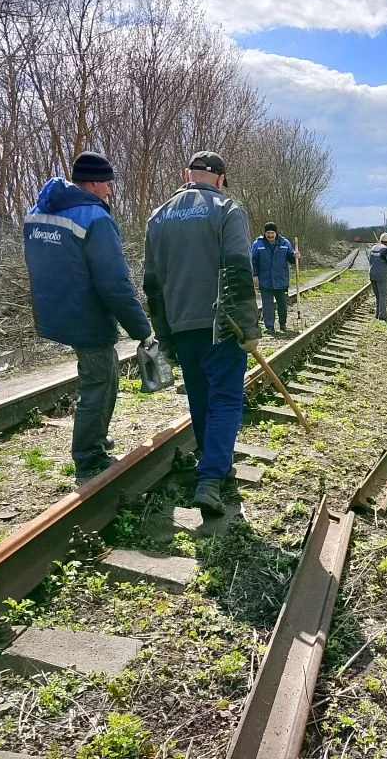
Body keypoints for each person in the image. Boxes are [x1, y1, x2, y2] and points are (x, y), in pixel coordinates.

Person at [23, 151, 153, 484]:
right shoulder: (94, 218)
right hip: (86, 313)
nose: (110, 190)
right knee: (99, 381)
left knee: (105, 374)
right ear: (94, 183)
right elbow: (114, 282)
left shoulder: (38, 212)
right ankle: (88, 457)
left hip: (54, 309)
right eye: (107, 183)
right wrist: (141, 329)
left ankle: (97, 437)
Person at [143, 151, 261, 516]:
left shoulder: (157, 217)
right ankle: (210, 478)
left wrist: (164, 336)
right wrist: (249, 327)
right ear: (221, 179)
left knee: (199, 397)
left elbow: (152, 285)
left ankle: (215, 463)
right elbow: (239, 270)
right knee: (225, 399)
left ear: (187, 175)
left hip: (180, 326)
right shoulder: (227, 210)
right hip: (222, 325)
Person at [251, 222, 296, 334]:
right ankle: (269, 327)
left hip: (281, 280)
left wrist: (295, 256)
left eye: (272, 233)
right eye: (268, 233)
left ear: (276, 233)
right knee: (267, 305)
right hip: (265, 280)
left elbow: (291, 259)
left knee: (282, 304)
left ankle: (282, 324)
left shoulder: (285, 243)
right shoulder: (258, 244)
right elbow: (253, 261)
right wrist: (254, 275)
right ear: (265, 233)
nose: (270, 235)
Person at [368, 232, 387, 321]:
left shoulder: (373, 248)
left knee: (377, 296)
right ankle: (383, 315)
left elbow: (370, 260)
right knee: (383, 295)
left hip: (372, 274)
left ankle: (377, 314)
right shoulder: (386, 250)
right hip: (382, 276)